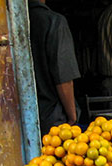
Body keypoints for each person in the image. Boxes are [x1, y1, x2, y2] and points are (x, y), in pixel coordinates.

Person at [28, 0, 80, 134]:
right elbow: (64, 78)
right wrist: (72, 115)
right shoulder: (53, 21)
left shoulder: (7, 23)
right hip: (52, 118)